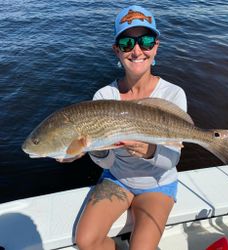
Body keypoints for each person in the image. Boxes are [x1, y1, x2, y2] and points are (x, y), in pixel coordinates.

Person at [74, 5, 187, 250]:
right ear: (117, 50)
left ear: (156, 46)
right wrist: (93, 149)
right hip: (117, 178)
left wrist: (149, 151)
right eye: (126, 43)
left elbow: (173, 158)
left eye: (145, 41)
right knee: (86, 241)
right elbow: (105, 162)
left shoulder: (173, 94)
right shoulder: (104, 95)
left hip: (157, 182)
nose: (136, 50)